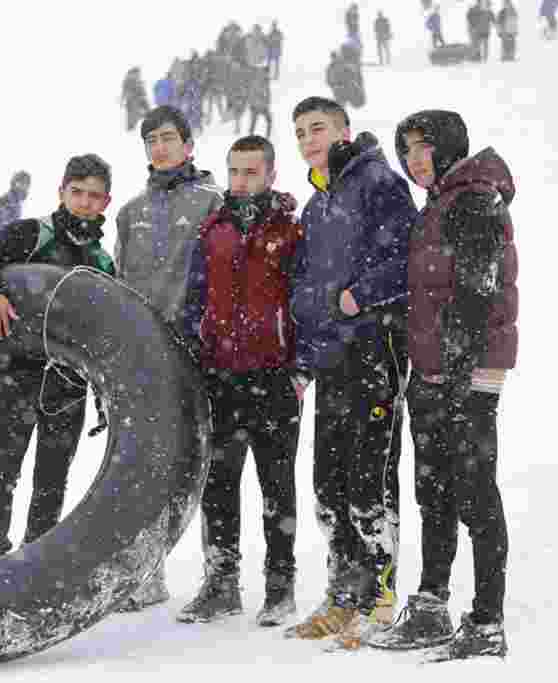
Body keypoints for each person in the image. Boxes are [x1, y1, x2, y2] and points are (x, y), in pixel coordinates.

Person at [366, 109, 517, 662]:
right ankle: (431, 607)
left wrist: (453, 375)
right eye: (406, 149)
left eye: (422, 146)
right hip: (435, 372)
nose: (414, 159)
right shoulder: (441, 204)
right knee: (434, 492)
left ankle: (487, 622)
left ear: (449, 146)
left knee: (475, 494)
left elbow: (477, 295)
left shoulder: (475, 200)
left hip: (469, 374)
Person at [283, 97, 416, 649]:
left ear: (345, 131)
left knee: (370, 482)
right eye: (300, 132)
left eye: (319, 128)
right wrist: (304, 358)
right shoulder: (316, 206)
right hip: (332, 360)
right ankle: (342, 595)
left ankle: (377, 600)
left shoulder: (378, 181)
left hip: (375, 350)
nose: (310, 139)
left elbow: (408, 256)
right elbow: (310, 291)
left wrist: (359, 296)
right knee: (328, 485)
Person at [177, 135, 303, 628]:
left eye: (253, 171)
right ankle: (222, 582)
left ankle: (280, 585)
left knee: (277, 485)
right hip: (221, 377)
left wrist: (301, 369)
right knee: (219, 484)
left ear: (271, 174)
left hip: (273, 379)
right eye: (236, 171)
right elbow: (194, 299)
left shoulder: (290, 231)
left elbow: (304, 302)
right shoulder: (213, 230)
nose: (243, 180)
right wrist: (196, 350)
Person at [0, 154, 116, 562]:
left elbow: (106, 333)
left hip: (69, 388)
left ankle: (35, 562)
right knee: (1, 474)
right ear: (62, 193)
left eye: (94, 196)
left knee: (52, 481)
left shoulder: (102, 262)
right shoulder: (35, 234)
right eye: (77, 193)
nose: (84, 203)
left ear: (105, 203)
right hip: (20, 375)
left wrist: (104, 394)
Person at [114, 105, 225, 611]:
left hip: (193, 352)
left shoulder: (211, 202)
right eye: (151, 140)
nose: (159, 148)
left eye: (167, 138)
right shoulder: (131, 212)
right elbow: (117, 282)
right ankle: (146, 573)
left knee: (197, 465)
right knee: (140, 465)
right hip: (138, 355)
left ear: (187, 144)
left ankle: (219, 576)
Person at [121, 67, 150, 133]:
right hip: (134, 99)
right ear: (135, 72)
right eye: (139, 72)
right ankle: (131, 129)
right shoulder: (132, 78)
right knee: (134, 115)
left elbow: (124, 90)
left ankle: (131, 128)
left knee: (134, 115)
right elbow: (138, 88)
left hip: (135, 99)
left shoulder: (131, 78)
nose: (140, 74)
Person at [248, 67, 272, 138]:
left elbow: (267, 92)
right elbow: (253, 92)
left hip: (260, 105)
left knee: (267, 121)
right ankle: (251, 137)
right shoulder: (259, 80)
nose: (268, 75)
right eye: (267, 73)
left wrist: (267, 101)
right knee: (254, 122)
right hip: (257, 105)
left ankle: (267, 137)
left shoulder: (265, 80)